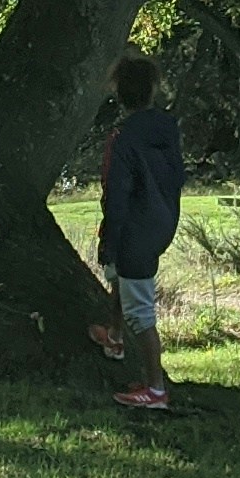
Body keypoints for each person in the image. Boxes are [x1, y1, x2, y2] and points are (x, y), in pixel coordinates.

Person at [92, 52, 184, 410]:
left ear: (120, 94)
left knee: (141, 313)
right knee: (123, 280)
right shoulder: (167, 129)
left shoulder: (124, 138)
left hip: (134, 229)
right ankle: (114, 338)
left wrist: (109, 242)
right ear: (152, 91)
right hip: (163, 222)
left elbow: (116, 195)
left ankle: (155, 390)